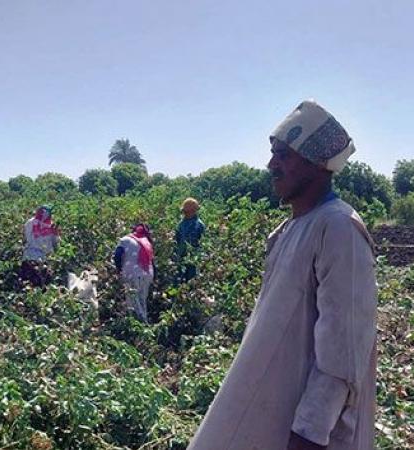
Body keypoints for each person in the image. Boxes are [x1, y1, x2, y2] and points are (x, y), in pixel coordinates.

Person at [187, 100, 378, 450]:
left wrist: (309, 433)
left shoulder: (338, 227)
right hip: (269, 407)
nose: (271, 165)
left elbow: (343, 348)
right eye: (272, 153)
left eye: (284, 155)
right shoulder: (287, 229)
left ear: (318, 164)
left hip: (303, 430)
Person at [113, 223, 155, 323]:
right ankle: (144, 324)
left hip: (132, 274)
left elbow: (117, 256)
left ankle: (137, 326)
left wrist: (119, 269)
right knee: (141, 300)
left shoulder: (125, 240)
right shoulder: (147, 242)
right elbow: (152, 262)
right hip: (147, 274)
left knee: (132, 302)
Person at [19, 205, 61, 287]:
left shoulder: (30, 223)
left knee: (25, 285)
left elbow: (25, 238)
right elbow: (56, 244)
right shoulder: (51, 226)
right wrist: (55, 233)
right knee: (41, 286)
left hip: (27, 257)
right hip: (42, 260)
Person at [175, 198, 206, 282]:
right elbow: (176, 240)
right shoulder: (181, 224)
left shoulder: (199, 225)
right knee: (179, 281)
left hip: (194, 259)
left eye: (186, 211)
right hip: (181, 258)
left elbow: (203, 244)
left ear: (193, 211)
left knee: (191, 282)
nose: (185, 214)